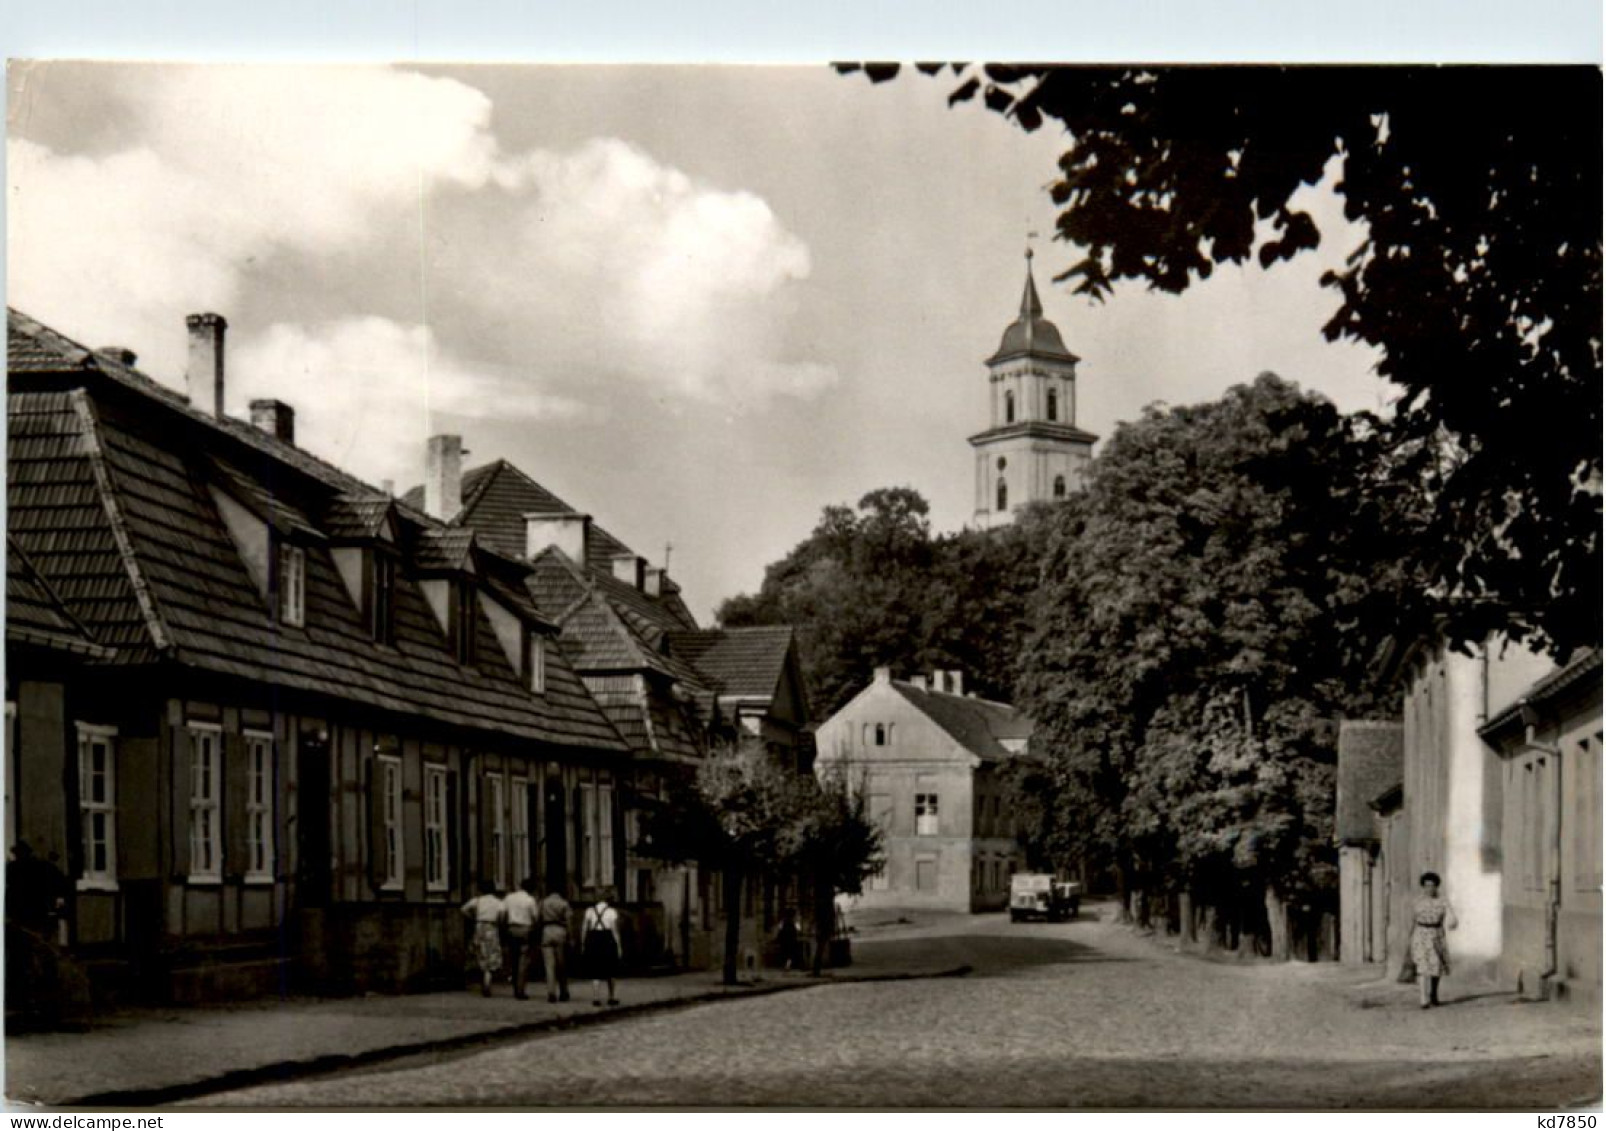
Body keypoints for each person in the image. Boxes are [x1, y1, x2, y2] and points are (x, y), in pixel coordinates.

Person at [1410, 871, 1458, 1008]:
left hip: (1437, 934)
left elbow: (1452, 916)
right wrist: (1411, 939)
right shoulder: (1417, 901)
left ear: (1436, 886)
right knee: (1423, 968)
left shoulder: (1443, 901)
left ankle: (1433, 995)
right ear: (1422, 887)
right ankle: (1423, 999)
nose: (1429, 889)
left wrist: (1452, 922)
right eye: (1426, 886)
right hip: (1421, 935)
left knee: (1436, 967)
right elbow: (1412, 920)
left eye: (1432, 886)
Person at [461, 878, 505, 998]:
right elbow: (502, 914)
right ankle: (487, 980)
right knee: (492, 954)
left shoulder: (477, 901)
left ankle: (484, 976)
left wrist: (472, 917)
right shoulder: (498, 902)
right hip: (491, 927)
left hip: (479, 926)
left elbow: (464, 909)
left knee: (481, 953)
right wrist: (499, 922)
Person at [583, 888, 623, 1007]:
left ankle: (596, 997)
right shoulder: (612, 912)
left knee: (595, 969)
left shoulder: (589, 911)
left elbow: (585, 928)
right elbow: (615, 930)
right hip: (607, 938)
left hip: (594, 938)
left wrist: (583, 942)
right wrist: (619, 946)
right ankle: (611, 996)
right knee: (611, 968)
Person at [503, 876, 540, 1001]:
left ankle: (514, 985)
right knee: (523, 960)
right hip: (525, 929)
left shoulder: (509, 898)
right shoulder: (530, 900)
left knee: (513, 958)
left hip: (512, 928)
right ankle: (520, 989)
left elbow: (502, 913)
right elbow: (535, 916)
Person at [538, 885, 572, 1003]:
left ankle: (551, 991)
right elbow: (568, 921)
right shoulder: (564, 903)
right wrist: (570, 936)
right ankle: (563, 991)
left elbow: (538, 918)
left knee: (549, 965)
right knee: (561, 964)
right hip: (560, 930)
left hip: (547, 930)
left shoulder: (543, 903)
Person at [774, 906, 802, 972]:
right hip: (792, 939)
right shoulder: (794, 921)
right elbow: (798, 929)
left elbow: (779, 929)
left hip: (784, 940)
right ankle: (787, 966)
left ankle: (785, 966)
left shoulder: (783, 921)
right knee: (791, 954)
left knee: (785, 953)